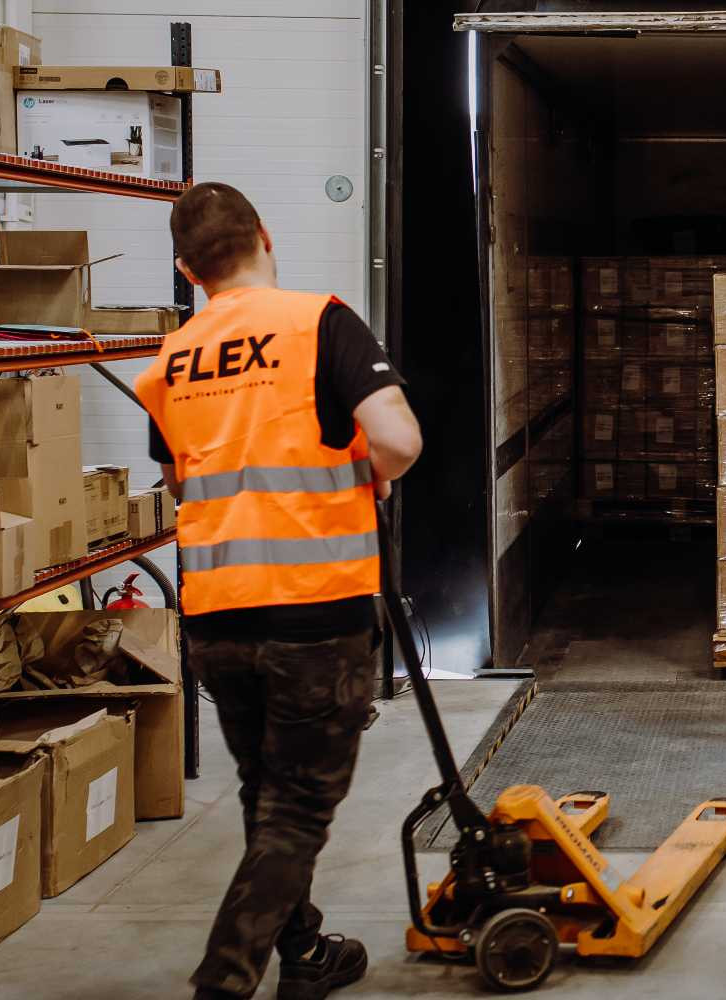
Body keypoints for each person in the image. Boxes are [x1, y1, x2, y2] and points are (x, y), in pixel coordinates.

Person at [135, 182, 423, 1000]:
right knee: (297, 810)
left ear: (189, 271)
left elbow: (178, 480)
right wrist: (367, 473)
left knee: (265, 795)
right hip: (313, 609)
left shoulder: (170, 362)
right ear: (265, 234)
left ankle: (304, 952)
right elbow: (399, 438)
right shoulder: (317, 321)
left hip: (217, 618)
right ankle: (223, 982)